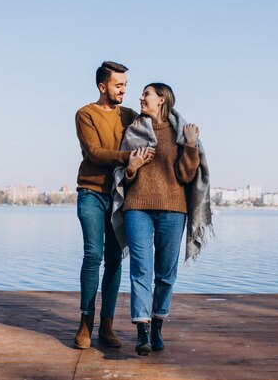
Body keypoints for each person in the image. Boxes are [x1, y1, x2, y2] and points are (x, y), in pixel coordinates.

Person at [112, 82, 213, 355]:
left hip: (173, 208)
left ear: (162, 99)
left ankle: (157, 323)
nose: (141, 98)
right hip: (137, 207)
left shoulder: (181, 133)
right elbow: (125, 174)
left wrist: (191, 145)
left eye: (147, 94)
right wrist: (132, 167)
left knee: (166, 273)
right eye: (142, 94)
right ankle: (142, 331)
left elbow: (186, 176)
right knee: (140, 270)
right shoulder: (133, 131)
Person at [74, 61, 154, 349]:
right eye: (119, 85)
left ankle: (106, 326)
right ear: (102, 86)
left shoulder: (130, 115)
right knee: (93, 256)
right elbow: (94, 153)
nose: (123, 90)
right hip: (91, 193)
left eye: (125, 86)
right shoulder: (85, 114)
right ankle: (85, 324)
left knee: (114, 260)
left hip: (120, 196)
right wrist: (128, 157)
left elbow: (157, 122)